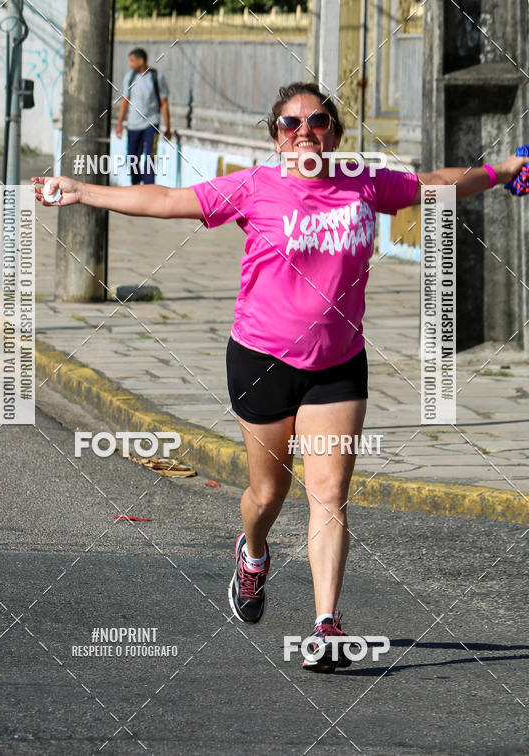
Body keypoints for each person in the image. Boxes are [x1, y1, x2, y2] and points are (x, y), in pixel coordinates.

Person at [33, 81, 527, 673]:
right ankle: (253, 552)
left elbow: (439, 183)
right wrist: (80, 191)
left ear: (334, 134)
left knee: (330, 496)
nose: (304, 132)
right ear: (275, 137)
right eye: (291, 124)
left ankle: (326, 625)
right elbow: (165, 199)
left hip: (337, 367)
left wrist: (504, 170)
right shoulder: (253, 186)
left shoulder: (364, 183)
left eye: (317, 121)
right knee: (268, 494)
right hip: (260, 361)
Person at [115, 47, 171, 185]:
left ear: (141, 61)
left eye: (132, 61)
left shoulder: (156, 77)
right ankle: (136, 185)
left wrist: (168, 127)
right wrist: (119, 124)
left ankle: (148, 187)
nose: (130, 64)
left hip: (152, 123)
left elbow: (164, 103)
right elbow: (125, 101)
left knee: (150, 157)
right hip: (133, 125)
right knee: (132, 158)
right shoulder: (130, 77)